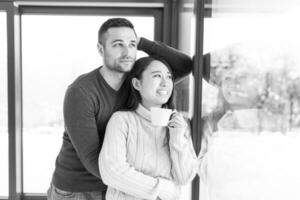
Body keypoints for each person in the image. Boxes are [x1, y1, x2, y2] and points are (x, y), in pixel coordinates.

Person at [47, 18, 193, 200]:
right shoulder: (82, 92)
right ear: (101, 49)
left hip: (123, 187)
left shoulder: (139, 83)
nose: (127, 52)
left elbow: (185, 65)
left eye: (132, 45)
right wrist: (156, 186)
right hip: (80, 189)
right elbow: (93, 160)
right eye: (117, 45)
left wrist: (141, 42)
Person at [99, 56, 198, 200]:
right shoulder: (122, 120)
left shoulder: (180, 124)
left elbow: (184, 178)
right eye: (157, 76)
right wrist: (163, 188)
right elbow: (112, 171)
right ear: (137, 84)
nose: (165, 83)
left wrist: (177, 137)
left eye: (169, 77)